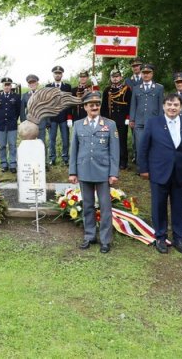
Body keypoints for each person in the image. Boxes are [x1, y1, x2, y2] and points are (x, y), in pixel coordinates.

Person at [138, 93, 182, 254]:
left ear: (181, 107)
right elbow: (143, 147)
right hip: (159, 172)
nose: (172, 107)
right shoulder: (153, 123)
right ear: (164, 106)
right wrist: (143, 169)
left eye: (176, 105)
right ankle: (160, 237)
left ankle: (179, 239)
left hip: (181, 173)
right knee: (158, 206)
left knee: (179, 207)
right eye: (169, 104)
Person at [69, 91, 120, 253]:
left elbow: (114, 151)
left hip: (103, 172)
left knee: (105, 207)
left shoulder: (109, 124)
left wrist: (113, 173)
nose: (94, 107)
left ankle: (105, 240)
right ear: (85, 107)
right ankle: (90, 236)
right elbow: (74, 150)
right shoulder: (78, 125)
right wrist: (73, 172)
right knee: (88, 205)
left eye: (97, 104)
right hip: (84, 170)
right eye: (91, 105)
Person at [129, 63, 164, 171]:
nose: (146, 75)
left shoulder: (159, 88)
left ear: (152, 74)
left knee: (153, 144)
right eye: (144, 73)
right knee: (140, 145)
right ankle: (141, 168)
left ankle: (153, 166)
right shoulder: (136, 88)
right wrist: (132, 119)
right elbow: (133, 105)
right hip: (139, 122)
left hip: (153, 121)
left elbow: (161, 105)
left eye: (148, 73)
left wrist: (161, 120)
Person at [101, 69, 132, 169]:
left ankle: (123, 162)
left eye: (117, 76)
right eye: (113, 76)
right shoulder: (107, 90)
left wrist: (128, 117)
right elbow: (104, 107)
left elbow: (130, 105)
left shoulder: (127, 89)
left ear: (120, 77)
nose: (115, 78)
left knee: (122, 141)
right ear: (110, 78)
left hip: (122, 120)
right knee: (110, 141)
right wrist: (104, 119)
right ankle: (111, 160)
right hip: (110, 120)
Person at [0, 77, 22, 173]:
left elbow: (18, 110)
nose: (7, 87)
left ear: (11, 86)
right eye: (5, 85)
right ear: (2, 86)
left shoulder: (16, 97)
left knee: (12, 145)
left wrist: (14, 119)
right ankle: (4, 164)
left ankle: (13, 164)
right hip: (1, 124)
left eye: (9, 85)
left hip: (12, 124)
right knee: (2, 146)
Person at [45, 66, 72, 166]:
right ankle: (52, 158)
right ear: (53, 74)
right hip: (52, 118)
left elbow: (69, 102)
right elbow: (46, 104)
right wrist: (47, 119)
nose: (57, 75)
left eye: (59, 73)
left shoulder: (67, 87)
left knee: (65, 139)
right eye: (56, 73)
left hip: (64, 117)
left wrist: (69, 117)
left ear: (62, 75)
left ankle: (65, 157)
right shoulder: (48, 87)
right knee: (52, 140)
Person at [20, 74, 48, 157]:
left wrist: (48, 122)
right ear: (28, 85)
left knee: (41, 143)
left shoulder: (43, 94)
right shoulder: (25, 96)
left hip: (41, 123)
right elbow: (22, 110)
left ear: (37, 83)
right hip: (29, 125)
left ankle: (43, 163)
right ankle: (31, 160)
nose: (32, 84)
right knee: (29, 143)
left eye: (34, 82)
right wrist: (23, 122)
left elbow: (46, 108)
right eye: (30, 83)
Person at [125, 57, 144, 162]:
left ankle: (144, 156)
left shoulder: (146, 78)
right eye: (133, 66)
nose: (136, 67)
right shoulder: (128, 80)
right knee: (134, 135)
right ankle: (136, 156)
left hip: (144, 111)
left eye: (137, 65)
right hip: (132, 111)